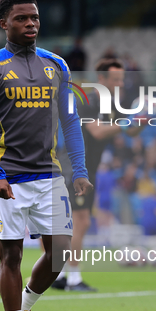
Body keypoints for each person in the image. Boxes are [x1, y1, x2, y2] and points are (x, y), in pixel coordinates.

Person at [0, 0, 91, 311]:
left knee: (59, 254)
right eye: (22, 18)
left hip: (49, 175)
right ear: (4, 23)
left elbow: (70, 121)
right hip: (8, 178)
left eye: (35, 18)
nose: (31, 24)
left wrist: (79, 169)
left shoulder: (57, 66)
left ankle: (25, 309)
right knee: (11, 257)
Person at [54, 58, 145, 292]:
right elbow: (96, 130)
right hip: (75, 166)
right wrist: (128, 122)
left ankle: (60, 275)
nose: (120, 84)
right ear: (101, 79)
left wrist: (143, 120)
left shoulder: (109, 104)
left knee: (68, 224)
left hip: (85, 167)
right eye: (115, 80)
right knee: (81, 221)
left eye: (122, 80)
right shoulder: (89, 99)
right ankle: (72, 278)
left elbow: (131, 131)